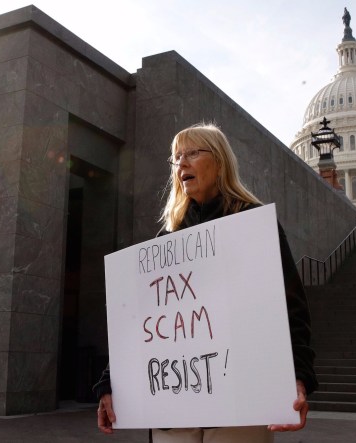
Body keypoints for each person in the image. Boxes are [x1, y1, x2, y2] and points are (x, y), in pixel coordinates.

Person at [93, 123, 318, 442]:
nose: (182, 163)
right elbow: (139, 325)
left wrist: (298, 376)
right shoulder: (165, 241)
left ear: (221, 161)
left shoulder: (254, 226)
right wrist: (109, 383)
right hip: (173, 409)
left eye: (193, 153)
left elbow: (291, 309)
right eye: (176, 157)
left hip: (239, 404)